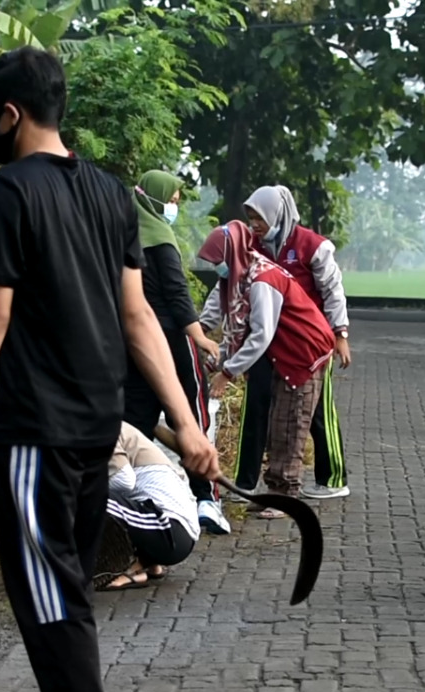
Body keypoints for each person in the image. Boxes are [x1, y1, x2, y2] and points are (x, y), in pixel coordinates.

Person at [0, 48, 219, 692]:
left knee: (50, 606)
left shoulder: (7, 191)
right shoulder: (112, 194)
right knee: (68, 597)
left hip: (35, 436)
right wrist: (188, 421)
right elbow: (139, 317)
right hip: (98, 431)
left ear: (11, 114)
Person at [200, 185, 352, 501]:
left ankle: (331, 477)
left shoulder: (311, 246)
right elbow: (224, 292)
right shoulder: (247, 248)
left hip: (305, 344)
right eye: (251, 218)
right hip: (268, 343)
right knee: (258, 408)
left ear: (278, 214)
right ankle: (247, 481)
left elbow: (333, 291)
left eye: (260, 218)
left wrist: (340, 333)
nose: (255, 225)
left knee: (312, 415)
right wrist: (200, 329)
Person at [121, 169, 230, 536]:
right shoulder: (162, 240)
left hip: (133, 343)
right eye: (170, 201)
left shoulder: (124, 235)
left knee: (135, 419)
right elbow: (177, 295)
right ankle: (207, 500)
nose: (172, 208)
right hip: (172, 340)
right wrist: (200, 337)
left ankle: (131, 494)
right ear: (153, 198)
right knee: (193, 418)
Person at [95, 422, 201, 590]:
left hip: (171, 530)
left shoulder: (100, 425)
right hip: (177, 532)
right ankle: (145, 563)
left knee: (82, 498)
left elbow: (123, 481)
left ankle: (128, 569)